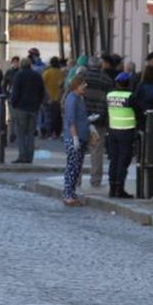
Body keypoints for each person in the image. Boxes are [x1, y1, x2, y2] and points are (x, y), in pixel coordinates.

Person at [83, 56, 117, 188]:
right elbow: (110, 100)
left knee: (79, 148)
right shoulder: (106, 80)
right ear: (101, 66)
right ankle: (95, 180)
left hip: (82, 118)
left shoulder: (83, 77)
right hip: (99, 119)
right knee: (96, 150)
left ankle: (77, 178)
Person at [105, 71, 138, 199]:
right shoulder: (130, 96)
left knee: (114, 160)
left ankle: (112, 188)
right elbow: (139, 112)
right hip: (126, 131)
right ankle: (119, 189)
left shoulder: (110, 95)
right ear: (128, 83)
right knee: (123, 161)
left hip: (113, 131)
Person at [8, 54, 45, 164]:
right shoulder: (37, 76)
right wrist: (38, 104)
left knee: (21, 133)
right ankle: (29, 156)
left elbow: (16, 92)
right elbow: (41, 92)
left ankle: (22, 155)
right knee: (30, 133)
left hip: (21, 107)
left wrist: (13, 103)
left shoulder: (19, 76)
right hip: (33, 108)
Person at [62, 73, 91, 206]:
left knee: (77, 167)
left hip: (81, 135)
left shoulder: (79, 98)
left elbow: (80, 117)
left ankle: (71, 193)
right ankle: (68, 194)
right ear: (76, 86)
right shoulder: (72, 99)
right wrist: (74, 137)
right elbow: (71, 120)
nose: (84, 86)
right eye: (82, 84)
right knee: (72, 167)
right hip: (74, 137)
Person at [41, 57, 66, 138]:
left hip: (48, 98)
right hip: (58, 98)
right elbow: (63, 86)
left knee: (48, 116)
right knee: (57, 116)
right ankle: (56, 132)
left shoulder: (47, 73)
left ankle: (48, 132)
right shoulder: (61, 73)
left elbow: (41, 84)